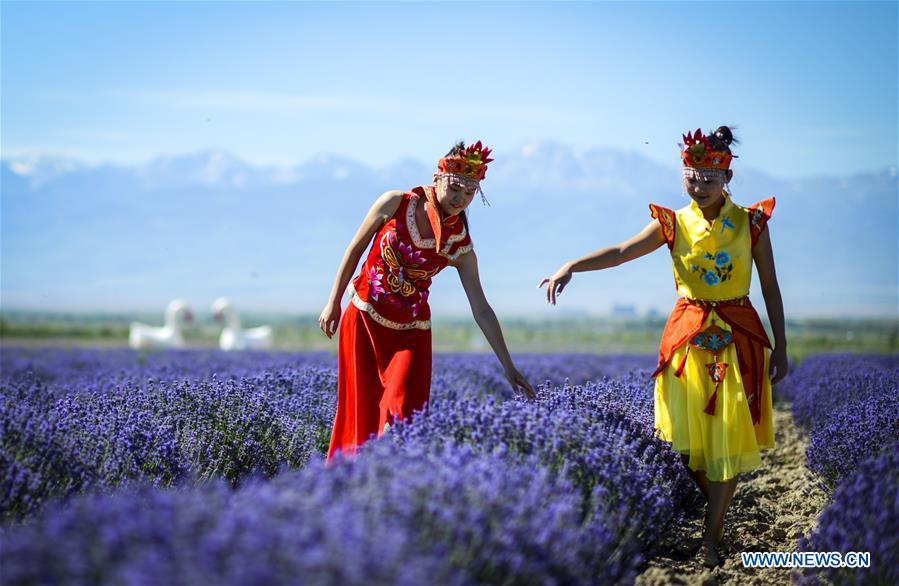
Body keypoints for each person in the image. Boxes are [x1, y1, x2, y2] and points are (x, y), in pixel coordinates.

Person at [539, 126, 788, 568]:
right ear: (682, 175)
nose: (700, 184)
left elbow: (770, 286)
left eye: (710, 176)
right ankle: (716, 511)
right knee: (683, 443)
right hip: (687, 338)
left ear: (727, 178)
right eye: (692, 175)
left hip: (738, 337)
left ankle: (711, 538)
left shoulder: (752, 223)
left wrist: (782, 346)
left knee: (728, 437)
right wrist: (571, 265)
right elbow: (620, 252)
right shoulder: (672, 223)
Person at [321, 141, 536, 463]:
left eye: (469, 193)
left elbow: (481, 309)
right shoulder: (395, 203)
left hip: (412, 332)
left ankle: (392, 482)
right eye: (455, 188)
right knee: (361, 411)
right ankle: (351, 483)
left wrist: (508, 365)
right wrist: (333, 301)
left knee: (402, 413)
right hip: (364, 318)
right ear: (438, 178)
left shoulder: (460, 245)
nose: (460, 199)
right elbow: (355, 250)